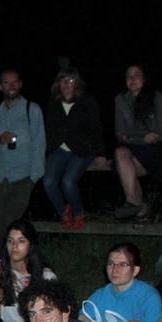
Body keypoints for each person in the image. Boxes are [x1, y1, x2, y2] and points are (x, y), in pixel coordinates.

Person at [0, 68, 46, 247]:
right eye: (6, 82)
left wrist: (33, 178)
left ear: (20, 84)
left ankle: (0, 262)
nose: (11, 86)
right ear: (0, 86)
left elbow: (40, 144)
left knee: (11, 225)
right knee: (1, 225)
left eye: (14, 82)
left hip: (22, 178)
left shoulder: (32, 109)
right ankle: (4, 265)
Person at [42, 66, 106, 228]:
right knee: (49, 181)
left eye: (71, 80)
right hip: (59, 149)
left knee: (68, 181)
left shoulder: (87, 101)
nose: (67, 84)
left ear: (77, 83)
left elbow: (96, 128)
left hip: (83, 149)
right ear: (58, 84)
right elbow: (49, 129)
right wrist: (48, 152)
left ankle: (78, 213)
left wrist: (100, 153)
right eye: (63, 80)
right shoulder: (53, 103)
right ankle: (64, 211)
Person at [80, 242, 162, 322]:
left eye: (122, 264)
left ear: (135, 270)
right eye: (111, 264)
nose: (115, 270)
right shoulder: (100, 295)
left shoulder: (149, 297)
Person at [111, 65, 162, 221]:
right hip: (132, 148)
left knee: (127, 168)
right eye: (128, 76)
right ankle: (133, 202)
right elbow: (119, 133)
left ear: (144, 79)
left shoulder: (156, 97)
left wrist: (135, 136)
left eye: (136, 75)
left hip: (155, 150)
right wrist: (142, 137)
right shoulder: (120, 99)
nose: (132, 79)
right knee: (120, 153)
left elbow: (161, 131)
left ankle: (142, 209)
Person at [0, 219, 55, 322]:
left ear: (30, 244)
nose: (14, 246)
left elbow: (52, 313)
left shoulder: (45, 276)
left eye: (21, 241)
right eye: (10, 240)